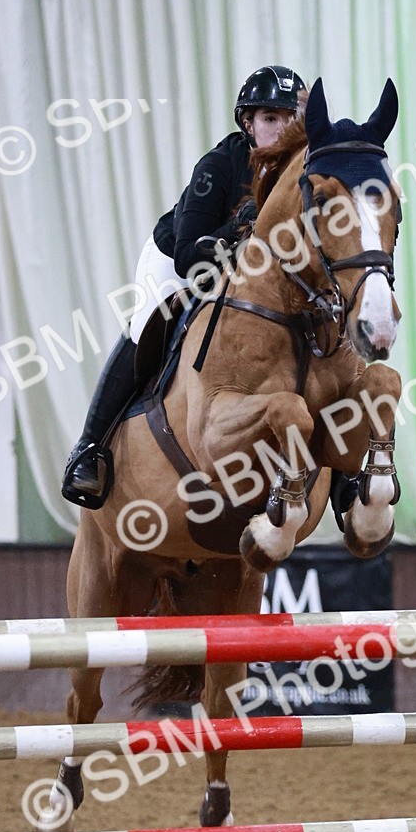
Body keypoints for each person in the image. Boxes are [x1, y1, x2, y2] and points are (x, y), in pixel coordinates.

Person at [61, 65, 307, 507]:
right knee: (147, 328)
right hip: (179, 260)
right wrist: (236, 230)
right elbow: (188, 252)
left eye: (291, 117)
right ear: (247, 123)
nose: (283, 127)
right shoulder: (218, 166)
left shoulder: (301, 172)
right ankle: (88, 449)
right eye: (271, 118)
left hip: (251, 274)